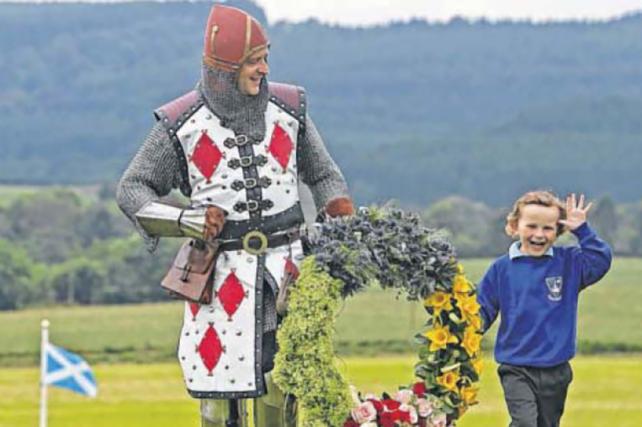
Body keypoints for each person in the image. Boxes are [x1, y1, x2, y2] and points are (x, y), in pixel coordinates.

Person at [116, 4, 354, 426]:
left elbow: (322, 173)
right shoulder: (181, 123)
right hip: (219, 273)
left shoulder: (289, 108)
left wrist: (337, 213)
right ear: (224, 67)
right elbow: (133, 189)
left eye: (265, 59)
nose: (263, 69)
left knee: (283, 383)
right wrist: (187, 219)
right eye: (253, 61)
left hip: (288, 269)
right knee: (217, 392)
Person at [476, 191, 612, 427]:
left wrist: (582, 230)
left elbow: (600, 261)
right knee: (526, 423)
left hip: (556, 369)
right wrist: (462, 335)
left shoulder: (569, 262)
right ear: (514, 226)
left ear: (558, 230)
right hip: (516, 367)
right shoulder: (501, 269)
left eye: (547, 228)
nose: (539, 234)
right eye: (532, 226)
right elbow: (482, 310)